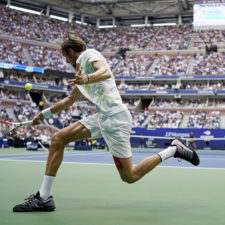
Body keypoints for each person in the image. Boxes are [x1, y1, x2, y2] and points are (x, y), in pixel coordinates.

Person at [13, 34, 200, 212]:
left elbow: (105, 71)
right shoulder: (80, 73)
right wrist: (42, 115)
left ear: (70, 51)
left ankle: (174, 150)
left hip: (115, 119)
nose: (65, 61)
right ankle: (44, 198)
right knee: (58, 139)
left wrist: (86, 78)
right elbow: (68, 101)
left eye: (64, 56)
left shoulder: (88, 55)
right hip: (102, 117)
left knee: (130, 176)